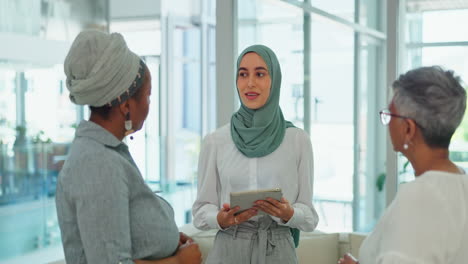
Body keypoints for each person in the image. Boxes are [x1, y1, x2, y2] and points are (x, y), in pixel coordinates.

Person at [56, 30, 201, 264]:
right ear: (125, 106)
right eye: (147, 95)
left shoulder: (108, 153)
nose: (149, 105)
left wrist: (166, 239)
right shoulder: (98, 164)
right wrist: (179, 262)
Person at [192, 44, 319, 264]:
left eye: (260, 74)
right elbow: (201, 211)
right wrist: (220, 219)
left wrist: (289, 214)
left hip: (278, 250)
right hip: (228, 249)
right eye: (243, 74)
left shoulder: (297, 140)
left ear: (275, 80)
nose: (250, 83)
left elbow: (309, 216)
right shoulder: (216, 141)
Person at [339, 66, 468, 264]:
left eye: (390, 115)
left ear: (408, 129)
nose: (388, 122)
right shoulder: (461, 184)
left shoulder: (419, 197)